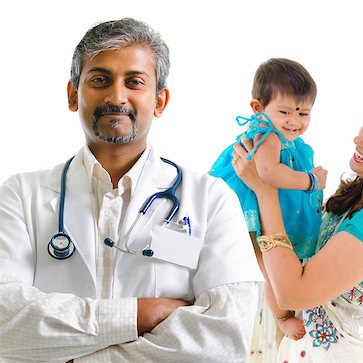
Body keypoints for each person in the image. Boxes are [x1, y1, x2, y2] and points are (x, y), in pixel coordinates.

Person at [0, 18, 263, 362]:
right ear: (72, 95)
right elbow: (5, 322)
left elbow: (223, 342)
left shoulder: (211, 200)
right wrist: (138, 314)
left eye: (134, 82)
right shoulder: (21, 195)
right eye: (99, 79)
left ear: (160, 101)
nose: (116, 96)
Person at [232, 100, 363, 362]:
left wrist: (265, 191)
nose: (359, 138)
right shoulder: (352, 199)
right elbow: (286, 278)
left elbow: (293, 293)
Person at [210, 58, 327, 362]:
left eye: (304, 112)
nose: (295, 121)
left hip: (264, 207)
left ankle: (283, 311)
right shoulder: (267, 134)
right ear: (258, 108)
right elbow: (267, 173)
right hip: (248, 208)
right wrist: (310, 181)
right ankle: (282, 317)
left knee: (271, 260)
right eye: (285, 112)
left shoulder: (287, 140)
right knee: (265, 262)